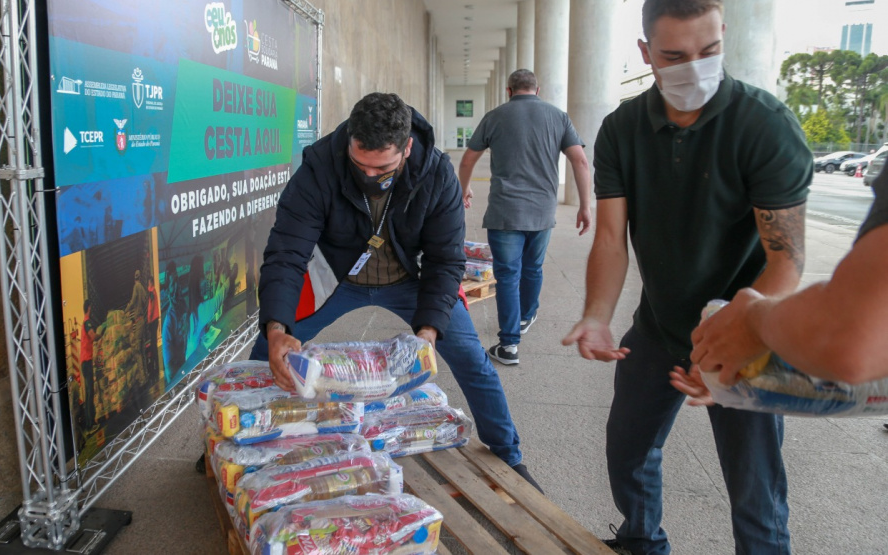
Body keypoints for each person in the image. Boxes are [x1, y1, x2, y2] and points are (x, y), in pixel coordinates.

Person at [560, 1, 812, 553]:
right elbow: (610, 237)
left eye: (709, 51)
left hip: (746, 332)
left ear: (723, 34)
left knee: (756, 493)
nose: (695, 67)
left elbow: (786, 261)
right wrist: (597, 315)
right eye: (675, 56)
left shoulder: (764, 126)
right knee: (627, 453)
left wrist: (731, 343)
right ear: (646, 54)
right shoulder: (622, 129)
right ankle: (642, 540)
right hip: (660, 328)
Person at [251, 92, 542, 492]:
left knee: (472, 360)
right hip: (337, 279)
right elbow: (286, 252)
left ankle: (510, 455)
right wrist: (277, 325)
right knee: (267, 349)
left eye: (383, 168)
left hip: (410, 280)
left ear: (406, 148)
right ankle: (232, 435)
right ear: (350, 140)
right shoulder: (319, 167)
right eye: (360, 165)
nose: (370, 177)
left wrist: (428, 333)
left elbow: (445, 261)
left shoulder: (438, 174)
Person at [670, 166, 888, 406]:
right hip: (667, 327)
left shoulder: (769, 135)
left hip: (745, 324)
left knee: (749, 440)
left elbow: (852, 340)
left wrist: (752, 321)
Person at [458, 69, 593, 365]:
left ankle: (509, 346)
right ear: (537, 89)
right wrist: (585, 204)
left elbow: (469, 158)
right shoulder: (558, 116)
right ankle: (526, 316)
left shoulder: (495, 116)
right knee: (533, 267)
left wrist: (465, 188)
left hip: (505, 210)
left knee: (507, 275)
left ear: (509, 91)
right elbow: (580, 160)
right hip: (543, 210)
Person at [80, 299, 104, 430]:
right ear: (89, 307)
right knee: (90, 392)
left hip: (86, 361)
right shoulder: (87, 322)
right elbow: (93, 336)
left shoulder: (85, 322)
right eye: (91, 307)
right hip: (86, 361)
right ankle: (90, 424)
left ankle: (90, 422)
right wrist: (101, 334)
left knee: (89, 392)